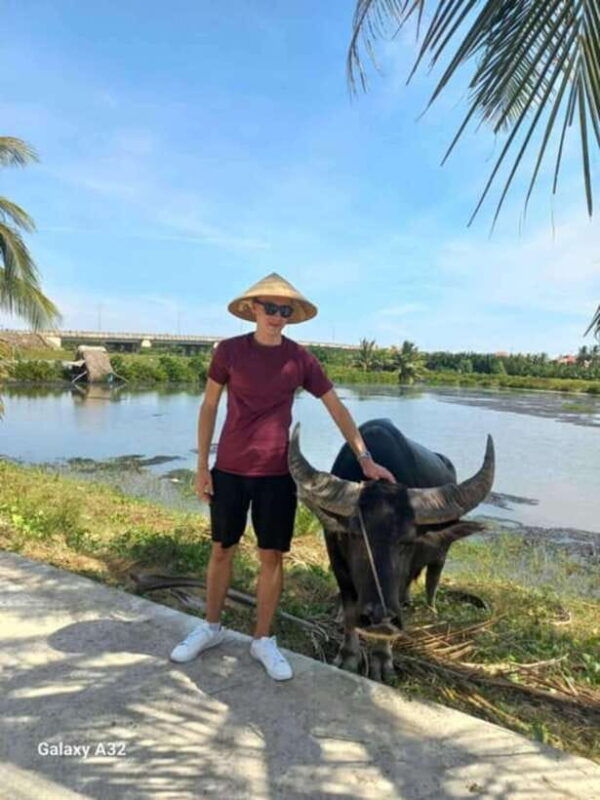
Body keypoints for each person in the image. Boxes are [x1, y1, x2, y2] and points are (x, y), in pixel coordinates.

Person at [170, 273, 395, 680]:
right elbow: (208, 407)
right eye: (270, 307)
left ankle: (262, 640)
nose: (276, 316)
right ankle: (211, 627)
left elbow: (336, 407)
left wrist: (365, 458)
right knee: (222, 548)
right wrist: (202, 466)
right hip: (230, 470)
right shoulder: (228, 352)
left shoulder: (300, 359)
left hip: (277, 474)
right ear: (253, 308)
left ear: (290, 316)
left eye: (284, 310)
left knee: (271, 556)